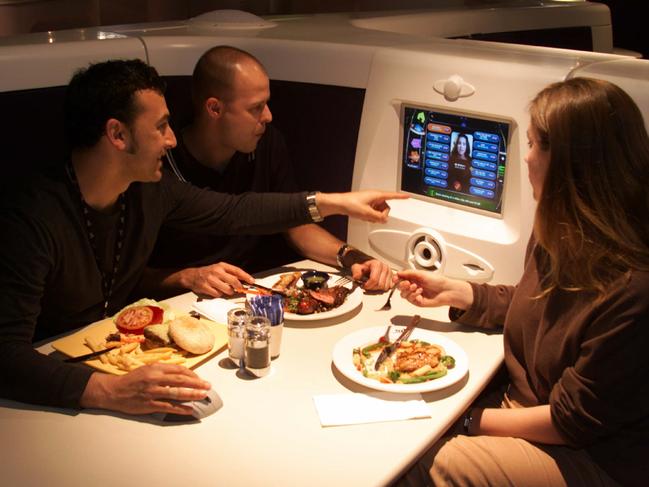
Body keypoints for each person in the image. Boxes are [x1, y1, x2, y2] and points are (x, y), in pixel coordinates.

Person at [0, 59, 404, 416]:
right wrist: (111, 391)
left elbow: (235, 211)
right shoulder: (30, 217)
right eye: (160, 127)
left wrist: (337, 202)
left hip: (112, 364)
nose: (172, 139)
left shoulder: (147, 191)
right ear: (118, 135)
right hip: (47, 391)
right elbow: (6, 356)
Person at [395, 78, 649, 486]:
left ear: (570, 164)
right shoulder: (559, 231)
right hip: (528, 414)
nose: (525, 159)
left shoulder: (634, 288)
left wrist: (464, 420)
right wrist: (459, 292)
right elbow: (539, 304)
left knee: (423, 462)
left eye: (532, 145)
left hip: (589, 456)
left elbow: (570, 421)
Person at [144, 46, 394, 299]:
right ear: (215, 109)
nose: (268, 116)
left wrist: (352, 257)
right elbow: (132, 279)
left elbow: (294, 223)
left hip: (254, 295)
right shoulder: (157, 165)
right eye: (256, 107)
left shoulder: (265, 143)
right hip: (181, 304)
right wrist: (188, 277)